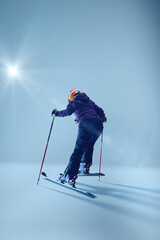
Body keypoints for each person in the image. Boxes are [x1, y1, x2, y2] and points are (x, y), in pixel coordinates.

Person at [51, 88, 106, 186]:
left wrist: (57, 113)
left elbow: (68, 112)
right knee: (89, 145)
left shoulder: (75, 102)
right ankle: (85, 165)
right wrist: (103, 118)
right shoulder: (89, 101)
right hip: (98, 125)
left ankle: (69, 176)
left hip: (86, 124)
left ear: (71, 98)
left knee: (78, 150)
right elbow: (100, 110)